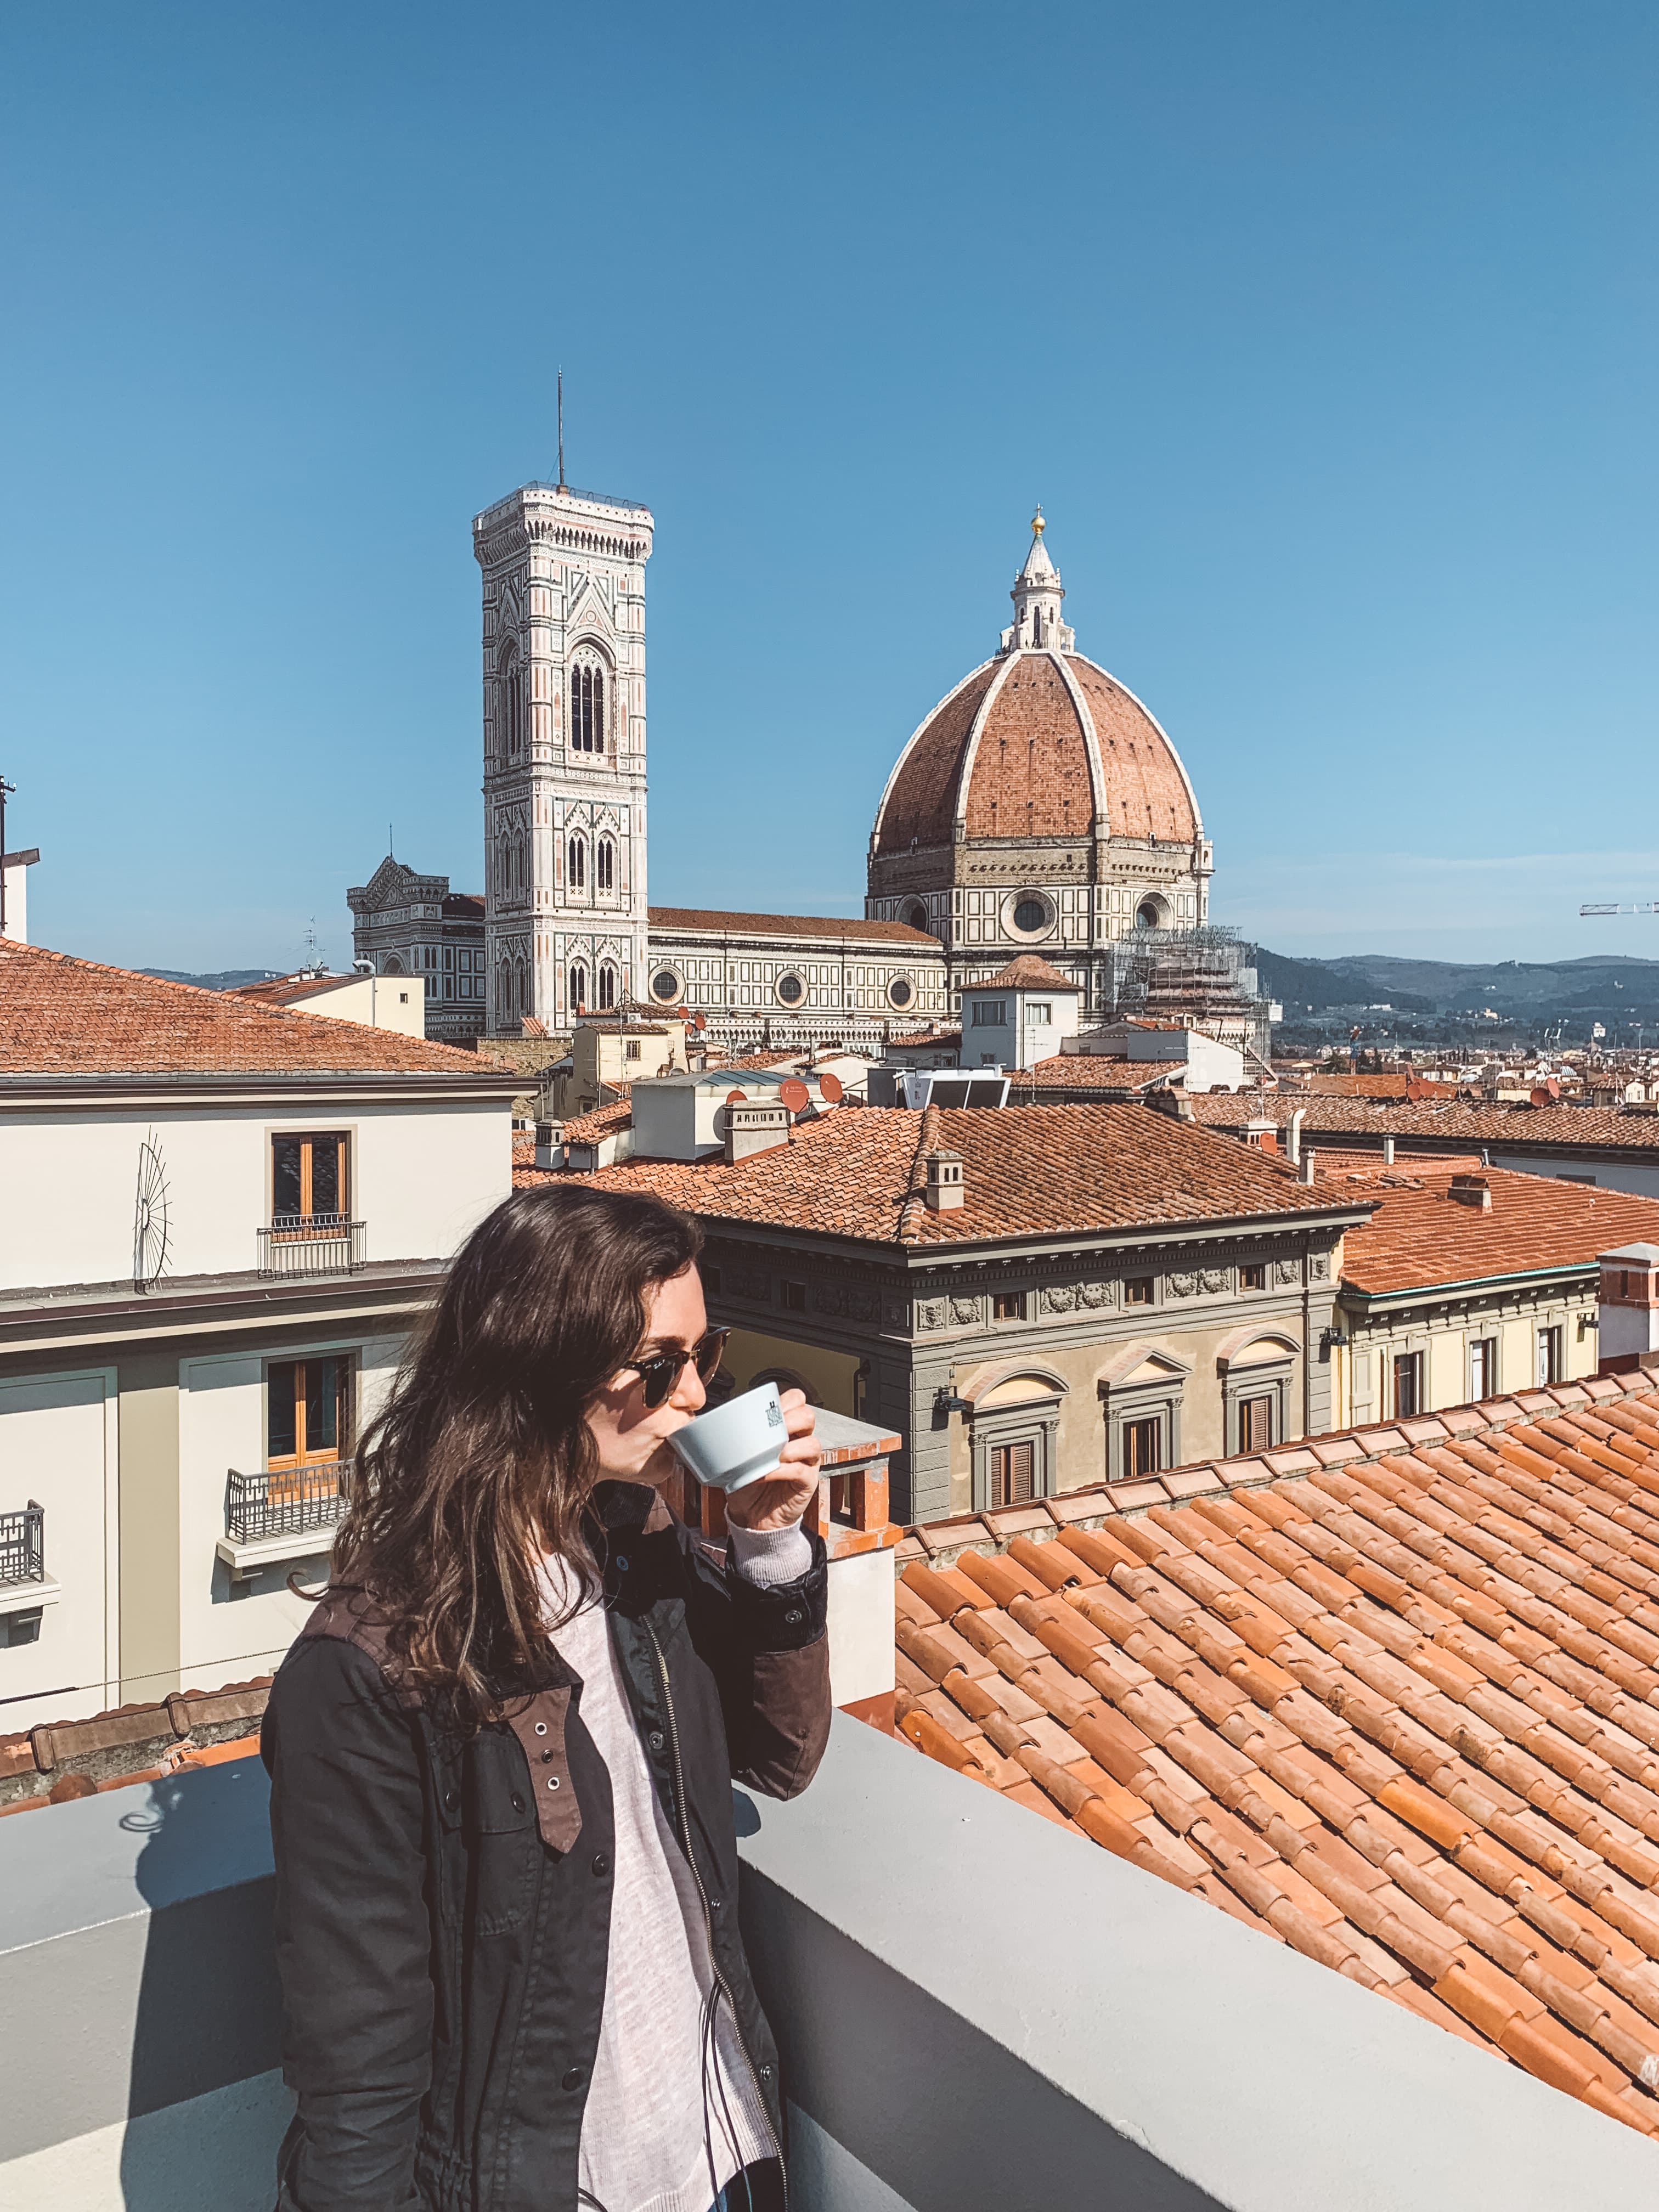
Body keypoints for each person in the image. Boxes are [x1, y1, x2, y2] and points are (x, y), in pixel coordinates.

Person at [261, 1183, 831, 2212]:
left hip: (728, 2147)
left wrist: (771, 1538)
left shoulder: (631, 1550)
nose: (696, 1395)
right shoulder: (371, 1669)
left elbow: (782, 1756)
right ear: (538, 1367)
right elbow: (360, 2065)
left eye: (705, 1357)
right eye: (658, 1368)